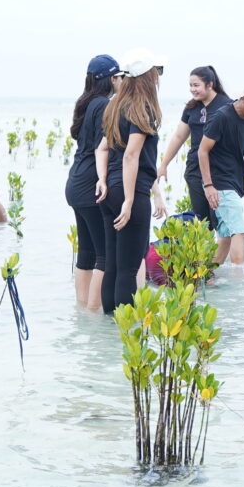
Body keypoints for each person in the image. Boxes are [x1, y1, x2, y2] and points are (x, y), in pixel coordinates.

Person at [93, 52, 164, 314]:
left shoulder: (114, 107)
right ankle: (122, 333)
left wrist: (102, 180)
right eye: (156, 72)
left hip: (108, 190)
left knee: (113, 265)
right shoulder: (141, 109)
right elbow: (132, 156)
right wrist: (131, 200)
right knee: (128, 268)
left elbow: (101, 149)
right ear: (147, 78)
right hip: (127, 191)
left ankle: (108, 331)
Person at [198, 81, 244, 267]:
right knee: (238, 231)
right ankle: (240, 285)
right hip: (219, 184)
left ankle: (207, 278)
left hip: (235, 182)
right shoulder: (220, 117)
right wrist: (208, 186)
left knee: (225, 238)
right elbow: (202, 151)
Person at [66, 55, 119, 308]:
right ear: (109, 79)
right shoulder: (105, 106)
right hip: (90, 184)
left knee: (86, 252)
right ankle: (94, 312)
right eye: (118, 76)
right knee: (105, 255)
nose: (121, 81)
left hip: (75, 181)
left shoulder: (85, 103)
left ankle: (82, 310)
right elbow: (104, 148)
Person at [156, 67, 232, 222]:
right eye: (190, 85)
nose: (192, 89)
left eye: (196, 85)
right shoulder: (192, 107)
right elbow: (178, 137)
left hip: (219, 171)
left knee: (221, 221)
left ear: (210, 85)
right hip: (195, 170)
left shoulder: (227, 106)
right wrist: (164, 164)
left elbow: (238, 139)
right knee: (202, 222)